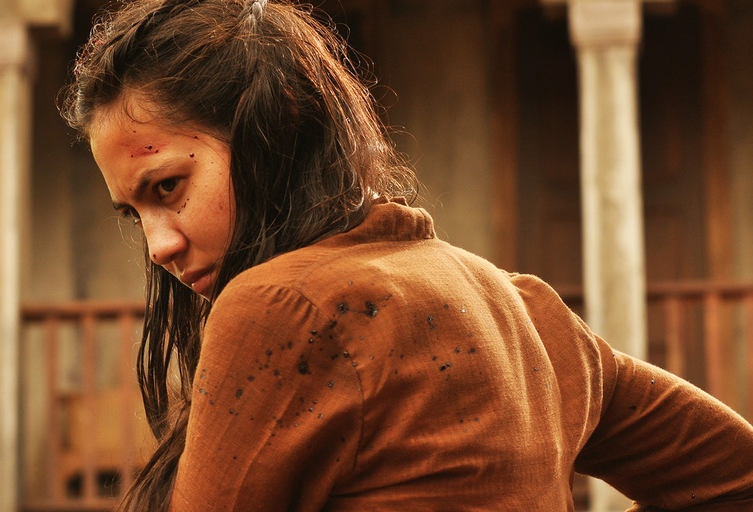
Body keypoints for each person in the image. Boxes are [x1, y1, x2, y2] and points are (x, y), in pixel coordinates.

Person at [60, 0, 753, 510]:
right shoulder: (518, 305)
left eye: (169, 187)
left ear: (274, 131)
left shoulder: (280, 307)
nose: (160, 245)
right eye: (134, 214)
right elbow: (735, 478)